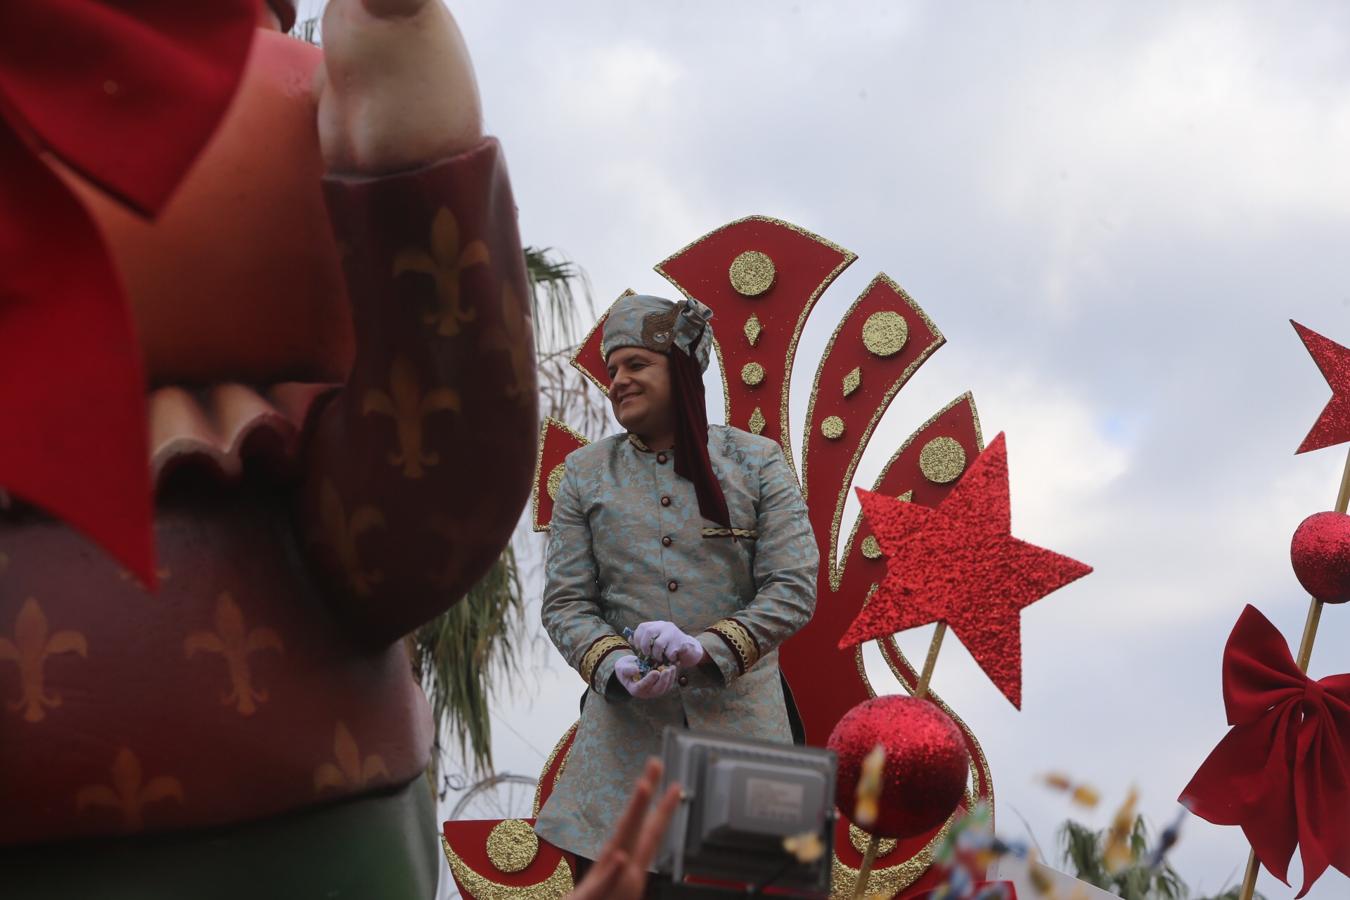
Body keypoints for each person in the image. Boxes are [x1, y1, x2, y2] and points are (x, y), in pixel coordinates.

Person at [534, 293, 819, 865]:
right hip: (621, 761)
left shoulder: (758, 462)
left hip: (747, 746)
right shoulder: (585, 475)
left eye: (636, 365)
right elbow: (565, 604)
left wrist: (706, 648)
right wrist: (613, 662)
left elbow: (792, 587)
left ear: (683, 370)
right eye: (612, 370)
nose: (617, 381)